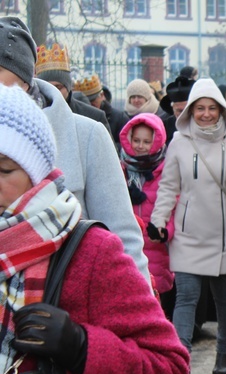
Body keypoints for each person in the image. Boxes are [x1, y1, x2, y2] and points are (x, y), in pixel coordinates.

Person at [0, 83, 189, 374]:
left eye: (3, 170)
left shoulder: (88, 251)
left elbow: (169, 368)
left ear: (34, 173)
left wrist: (81, 347)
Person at [0, 17, 150, 286]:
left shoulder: (87, 135)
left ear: (24, 81)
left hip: (70, 299)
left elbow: (123, 235)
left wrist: (134, 312)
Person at [150, 78, 226, 374]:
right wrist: (157, 220)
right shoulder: (179, 141)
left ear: (221, 110)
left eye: (212, 108)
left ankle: (224, 353)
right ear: (190, 110)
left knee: (224, 299)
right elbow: (169, 186)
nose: (206, 114)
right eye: (200, 108)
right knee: (186, 299)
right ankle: (181, 367)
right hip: (188, 232)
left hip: (225, 233)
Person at [119, 113, 176, 320]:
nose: (140, 146)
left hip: (157, 250)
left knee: (159, 309)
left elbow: (174, 206)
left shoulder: (165, 170)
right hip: (129, 248)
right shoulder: (120, 169)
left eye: (146, 141)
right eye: (136, 140)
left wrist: (165, 231)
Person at [35, 43, 113, 139]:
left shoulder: (93, 117)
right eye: (47, 87)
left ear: (68, 87)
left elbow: (107, 152)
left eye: (58, 88)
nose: (53, 92)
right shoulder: (32, 115)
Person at [75, 73, 129, 150]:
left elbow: (127, 145)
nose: (89, 105)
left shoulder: (119, 118)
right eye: (85, 101)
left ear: (102, 95)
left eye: (92, 100)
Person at [160, 75, 195, 144]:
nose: (183, 114)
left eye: (187, 110)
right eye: (179, 111)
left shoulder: (202, 125)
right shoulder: (164, 126)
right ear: (173, 109)